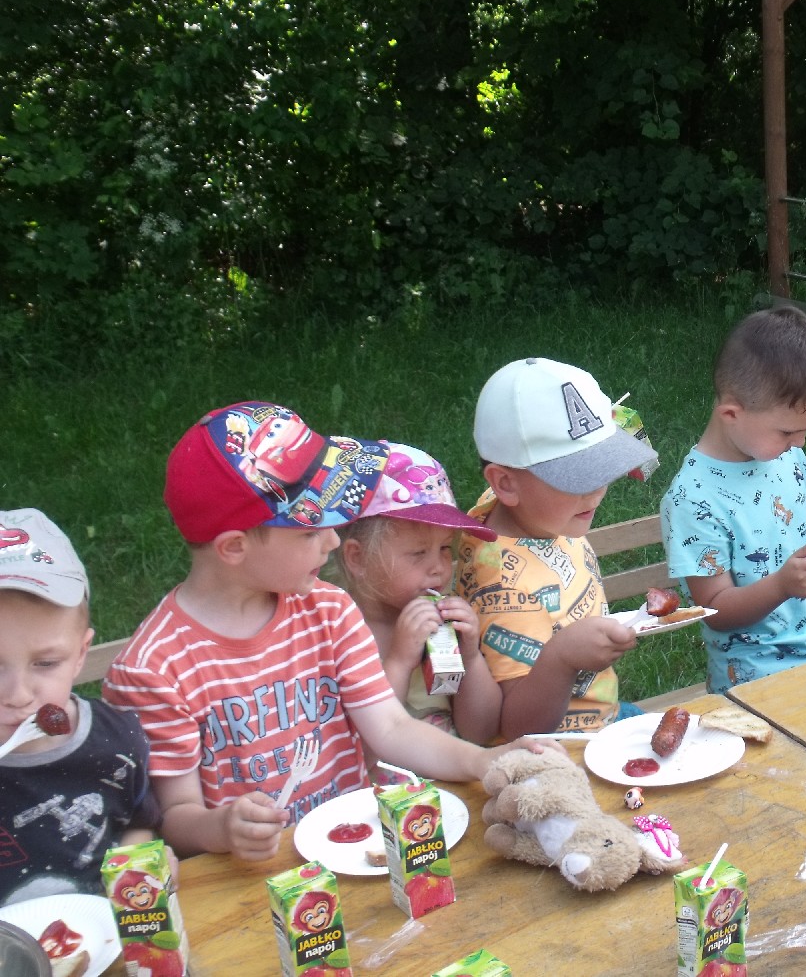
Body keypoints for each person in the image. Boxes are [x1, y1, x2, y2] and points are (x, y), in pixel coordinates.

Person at [103, 401, 552, 862]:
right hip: (249, 877)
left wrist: (482, 760)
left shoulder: (329, 609)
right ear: (234, 547)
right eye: (309, 531)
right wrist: (220, 829)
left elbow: (392, 727)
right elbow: (175, 817)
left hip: (354, 850)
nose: (333, 540)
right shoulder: (154, 669)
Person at [660, 306, 806, 692]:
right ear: (731, 414)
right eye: (788, 432)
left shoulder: (784, 457)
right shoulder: (694, 500)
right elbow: (714, 610)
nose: (800, 443)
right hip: (757, 680)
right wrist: (780, 586)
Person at [457, 357, 650, 739]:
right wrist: (561, 658)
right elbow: (518, 731)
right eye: (575, 477)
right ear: (505, 484)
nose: (597, 490)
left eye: (601, 467)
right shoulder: (506, 589)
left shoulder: (531, 512)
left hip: (606, 715)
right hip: (562, 748)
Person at [0, 508, 161, 904]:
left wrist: (138, 866)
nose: (18, 694)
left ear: (79, 654)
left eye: (45, 664)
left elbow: (139, 825)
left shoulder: (116, 744)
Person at [331, 442, 502, 743]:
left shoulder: (443, 625)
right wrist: (399, 662)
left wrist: (470, 657)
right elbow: (361, 745)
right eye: (418, 553)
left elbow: (482, 732)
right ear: (358, 558)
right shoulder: (342, 634)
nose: (438, 568)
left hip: (456, 764)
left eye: (444, 548)